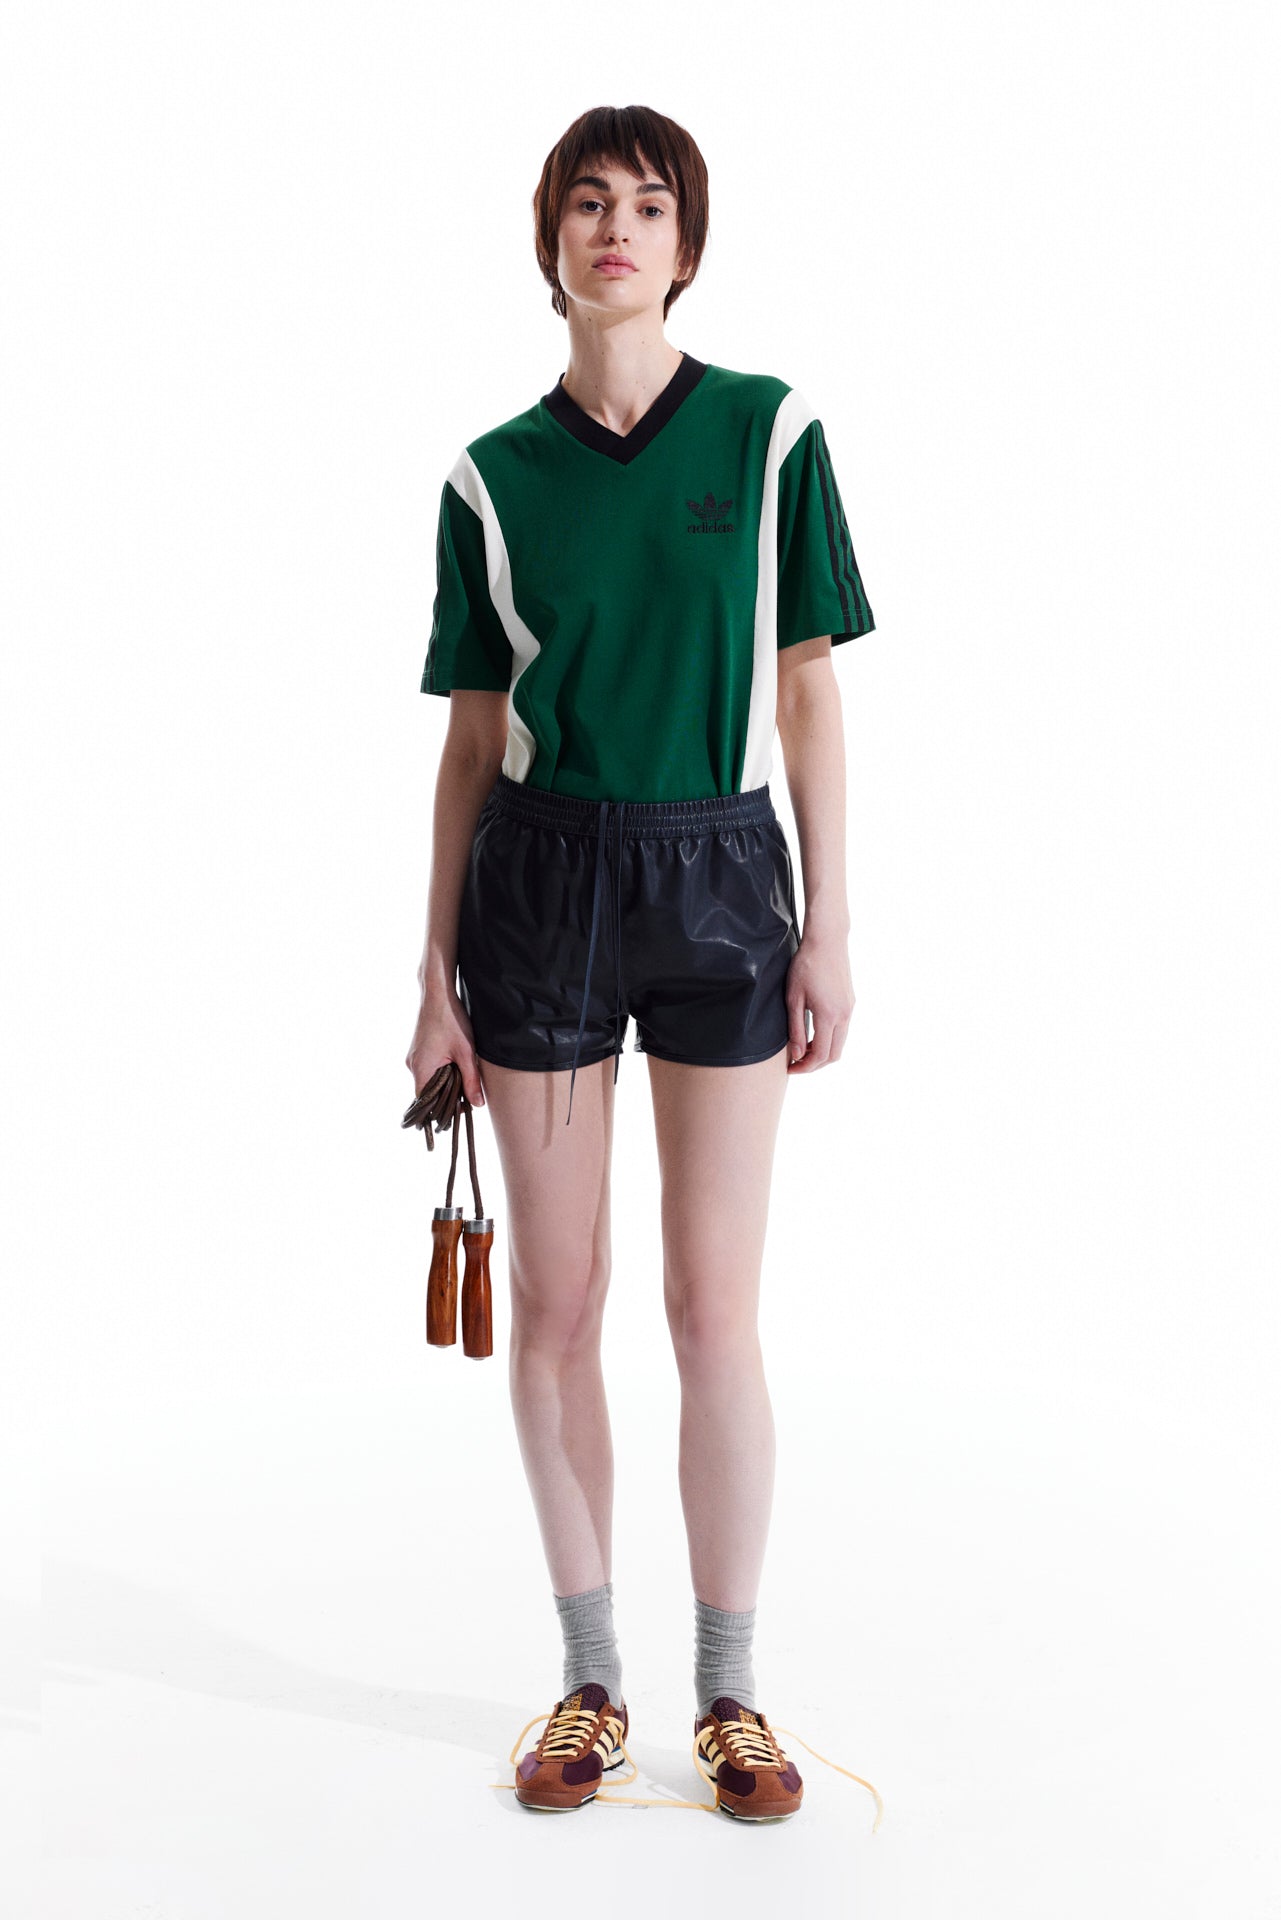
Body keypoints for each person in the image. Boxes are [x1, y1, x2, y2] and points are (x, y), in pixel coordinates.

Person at [405, 103, 875, 1820]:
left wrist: (829, 921)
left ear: (686, 245)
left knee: (708, 1307)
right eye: (587, 202)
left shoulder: (767, 433)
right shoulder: (489, 476)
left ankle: (730, 1694)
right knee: (556, 1303)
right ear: (549, 243)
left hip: (720, 876)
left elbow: (807, 688)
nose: (617, 226)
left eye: (649, 204)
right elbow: (473, 739)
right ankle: (589, 1680)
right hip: (537, 889)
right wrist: (431, 976)